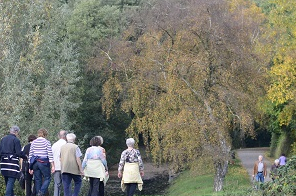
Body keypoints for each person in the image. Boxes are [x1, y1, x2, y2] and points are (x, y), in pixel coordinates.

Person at [29, 128, 55, 196]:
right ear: (45, 134)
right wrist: (52, 165)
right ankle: (41, 192)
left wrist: (30, 167)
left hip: (35, 163)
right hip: (43, 162)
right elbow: (50, 154)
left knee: (37, 180)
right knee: (47, 178)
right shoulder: (46, 142)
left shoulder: (34, 142)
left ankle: (38, 193)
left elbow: (30, 154)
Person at [0, 126, 22, 196]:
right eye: (18, 133)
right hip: (12, 164)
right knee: (11, 181)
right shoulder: (16, 140)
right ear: (16, 132)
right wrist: (25, 156)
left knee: (7, 181)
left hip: (3, 163)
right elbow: (19, 153)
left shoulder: (3, 139)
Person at [52, 130, 67, 196]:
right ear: (65, 136)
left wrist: (52, 166)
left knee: (57, 185)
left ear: (58, 136)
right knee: (66, 185)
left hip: (56, 167)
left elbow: (51, 157)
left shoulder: (54, 145)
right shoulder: (66, 144)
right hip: (65, 167)